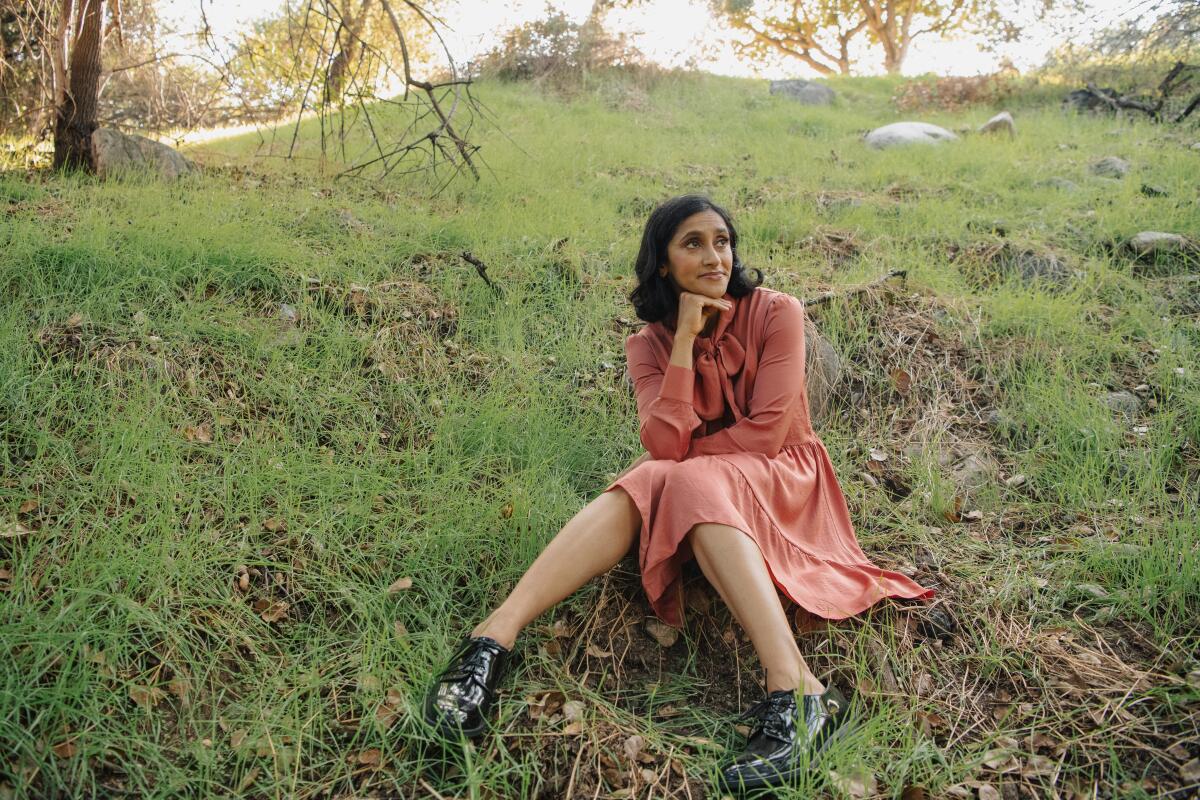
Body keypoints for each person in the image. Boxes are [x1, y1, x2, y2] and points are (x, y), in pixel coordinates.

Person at [422, 194, 935, 793]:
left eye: (721, 240)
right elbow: (663, 439)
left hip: (785, 482)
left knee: (668, 475)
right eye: (693, 243)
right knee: (654, 475)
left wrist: (679, 466)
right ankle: (490, 641)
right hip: (707, 488)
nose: (715, 255)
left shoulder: (776, 312)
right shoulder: (648, 344)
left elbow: (767, 433)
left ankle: (796, 689)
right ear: (662, 263)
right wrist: (686, 342)